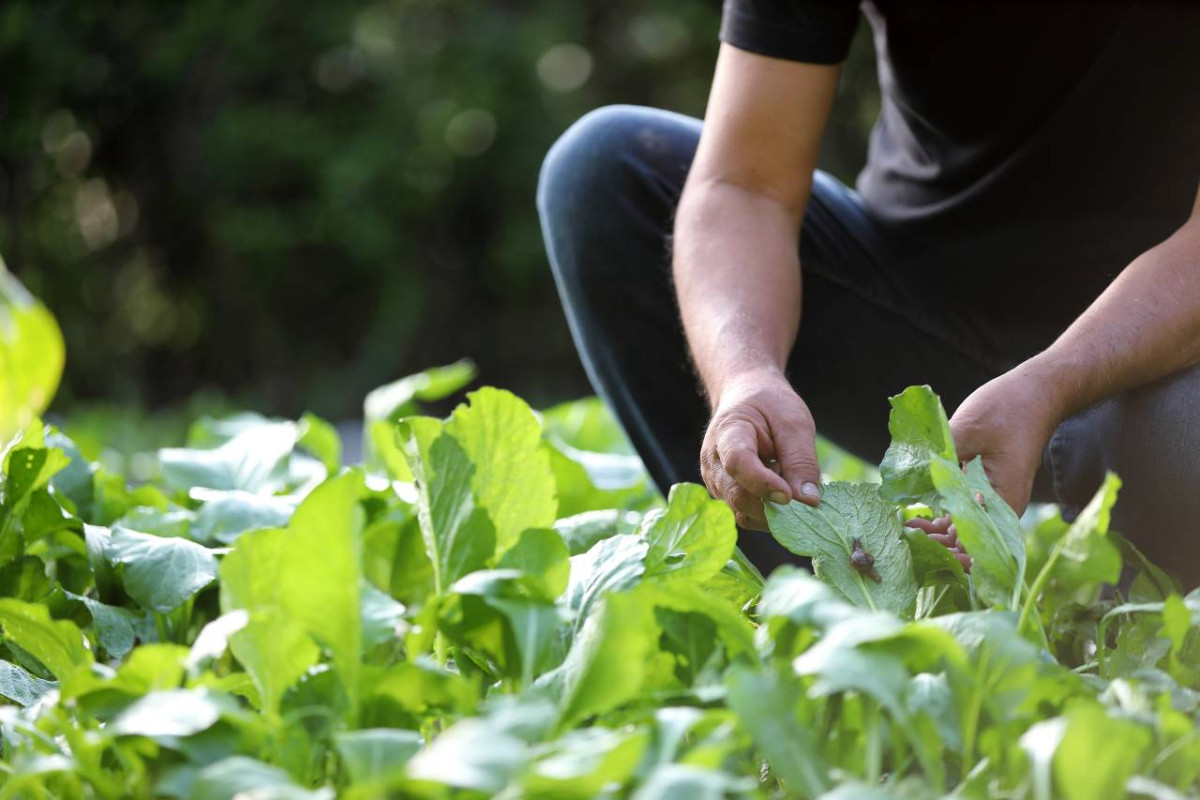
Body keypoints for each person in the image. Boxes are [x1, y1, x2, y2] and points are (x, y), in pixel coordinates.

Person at [537, 1, 1200, 585]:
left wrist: (1053, 384)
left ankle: (1115, 612)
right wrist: (745, 372)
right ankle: (811, 615)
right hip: (916, 318)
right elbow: (745, 184)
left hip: (1160, 359)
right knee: (603, 172)